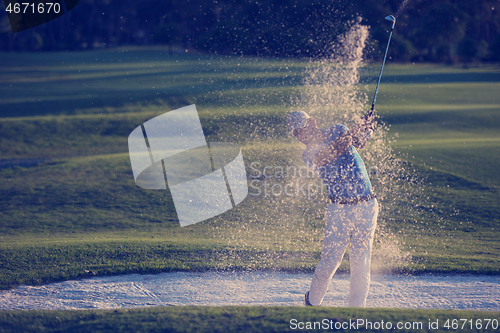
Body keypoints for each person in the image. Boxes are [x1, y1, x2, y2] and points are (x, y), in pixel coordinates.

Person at [287, 110, 379, 307]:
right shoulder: (309, 154)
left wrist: (367, 126)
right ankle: (312, 302)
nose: (300, 136)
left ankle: (356, 315)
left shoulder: (338, 129)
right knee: (329, 262)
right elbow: (330, 153)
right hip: (339, 210)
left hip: (367, 205)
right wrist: (355, 130)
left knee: (360, 264)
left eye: (301, 130)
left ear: (312, 122)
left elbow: (358, 141)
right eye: (296, 134)